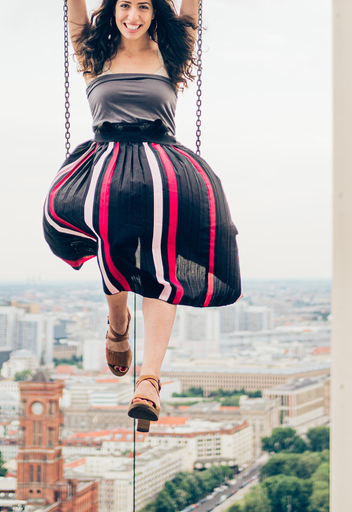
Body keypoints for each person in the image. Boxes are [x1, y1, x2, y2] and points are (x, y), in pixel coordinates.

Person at [43, 0, 241, 432]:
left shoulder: (172, 50)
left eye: (143, 6)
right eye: (125, 5)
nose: (133, 15)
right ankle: (119, 325)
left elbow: (192, 7)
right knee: (108, 231)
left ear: (155, 12)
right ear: (112, 9)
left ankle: (149, 380)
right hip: (107, 163)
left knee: (163, 258)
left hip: (160, 164)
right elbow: (75, 7)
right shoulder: (93, 51)